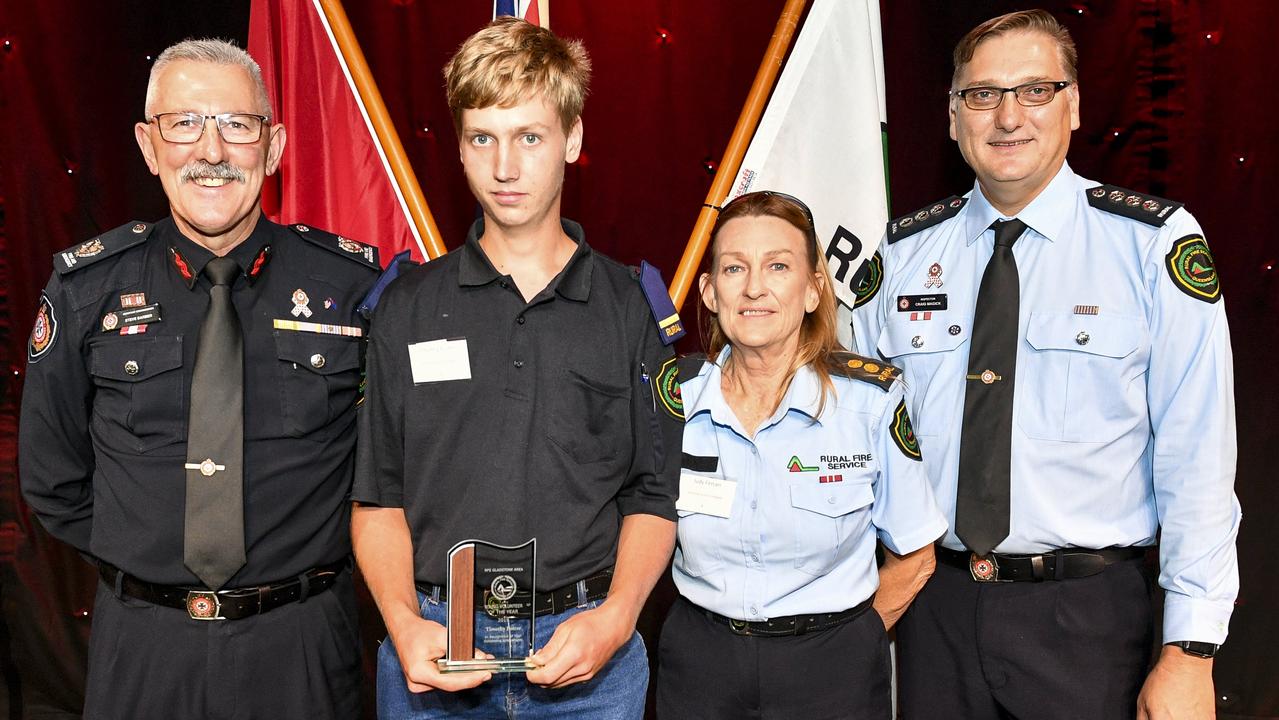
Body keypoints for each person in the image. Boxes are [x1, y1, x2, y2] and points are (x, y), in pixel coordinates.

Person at [851, 10, 1240, 720]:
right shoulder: (899, 256)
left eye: (1035, 90)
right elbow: (853, 441)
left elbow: (1198, 458)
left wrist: (1191, 649)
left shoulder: (1150, 247)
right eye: (982, 94)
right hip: (933, 612)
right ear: (952, 116)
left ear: (1074, 105)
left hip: (1086, 622)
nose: (1007, 117)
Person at [18, 39, 379, 719]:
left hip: (301, 643)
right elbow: (52, 477)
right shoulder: (87, 289)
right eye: (183, 123)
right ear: (149, 146)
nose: (210, 150)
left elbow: (389, 468)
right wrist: (148, 557)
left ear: (271, 148)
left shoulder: (351, 287)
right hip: (143, 646)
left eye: (236, 126)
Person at [351, 17, 682, 719]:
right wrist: (405, 626)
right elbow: (378, 500)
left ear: (574, 139)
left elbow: (653, 498)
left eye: (530, 137)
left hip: (587, 655)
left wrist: (618, 617)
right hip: (435, 651)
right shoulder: (405, 305)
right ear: (461, 147)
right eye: (483, 138)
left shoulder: (631, 306)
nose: (505, 167)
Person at [656, 191, 947, 719]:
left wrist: (846, 646)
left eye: (778, 266)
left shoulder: (870, 403)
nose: (754, 287)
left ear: (814, 290)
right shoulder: (671, 398)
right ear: (710, 292)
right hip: (701, 665)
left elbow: (916, 555)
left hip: (831, 669)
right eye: (733, 267)